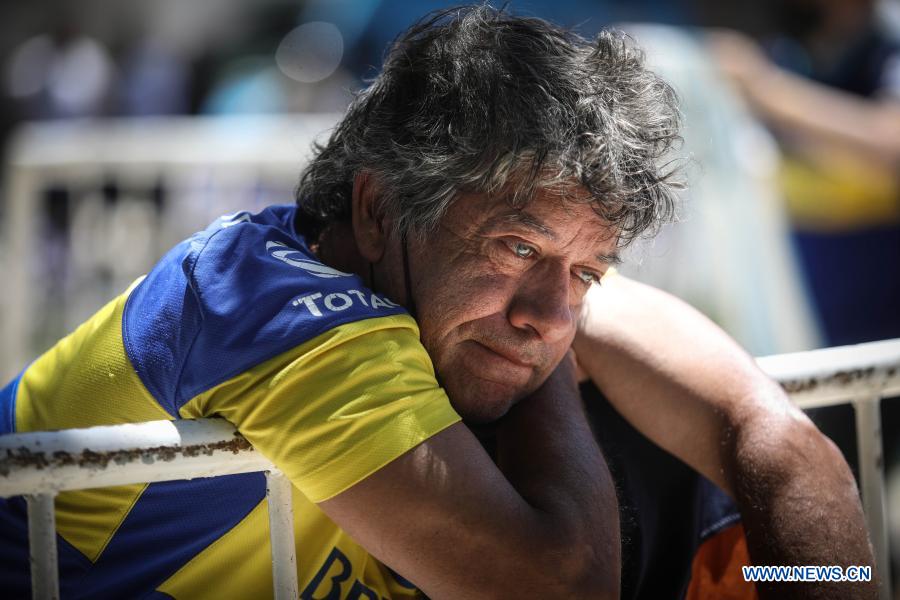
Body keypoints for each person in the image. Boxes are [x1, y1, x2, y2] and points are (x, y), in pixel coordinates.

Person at [0, 6, 875, 599]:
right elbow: (564, 586)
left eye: (587, 273)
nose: (547, 311)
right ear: (379, 209)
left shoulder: (503, 291)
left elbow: (782, 447)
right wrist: (554, 371)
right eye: (518, 245)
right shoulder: (266, 303)